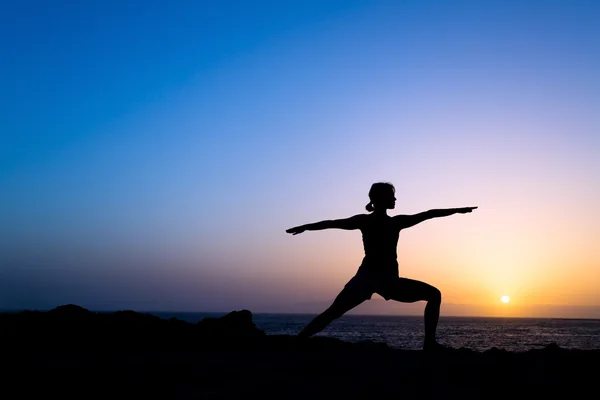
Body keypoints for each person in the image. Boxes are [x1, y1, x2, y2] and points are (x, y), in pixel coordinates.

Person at [286, 182, 477, 351]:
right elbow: (332, 223)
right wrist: (306, 227)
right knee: (434, 295)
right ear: (381, 199)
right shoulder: (388, 222)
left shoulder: (377, 221)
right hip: (376, 279)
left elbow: (429, 214)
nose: (395, 199)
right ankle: (429, 344)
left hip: (376, 279)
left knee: (332, 312)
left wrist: (457, 210)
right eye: (391, 195)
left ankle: (300, 340)